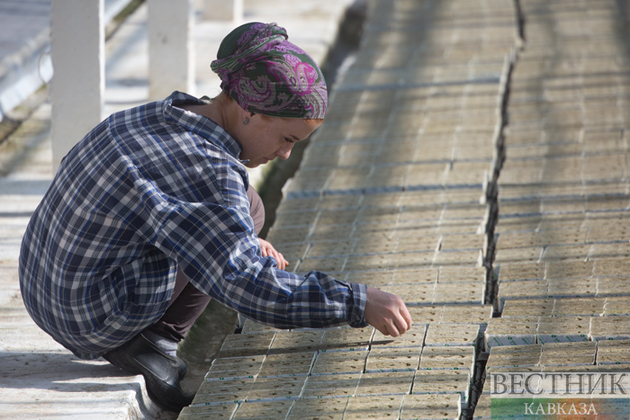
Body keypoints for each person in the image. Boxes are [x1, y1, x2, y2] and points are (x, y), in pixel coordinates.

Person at [19, 22, 412, 411]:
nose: (284, 155)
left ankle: (159, 325)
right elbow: (250, 288)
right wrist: (356, 302)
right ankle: (156, 344)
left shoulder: (161, 115)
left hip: (44, 290)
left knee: (249, 205)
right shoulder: (210, 173)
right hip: (89, 316)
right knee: (228, 232)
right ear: (249, 111)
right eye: (287, 139)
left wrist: (237, 233)